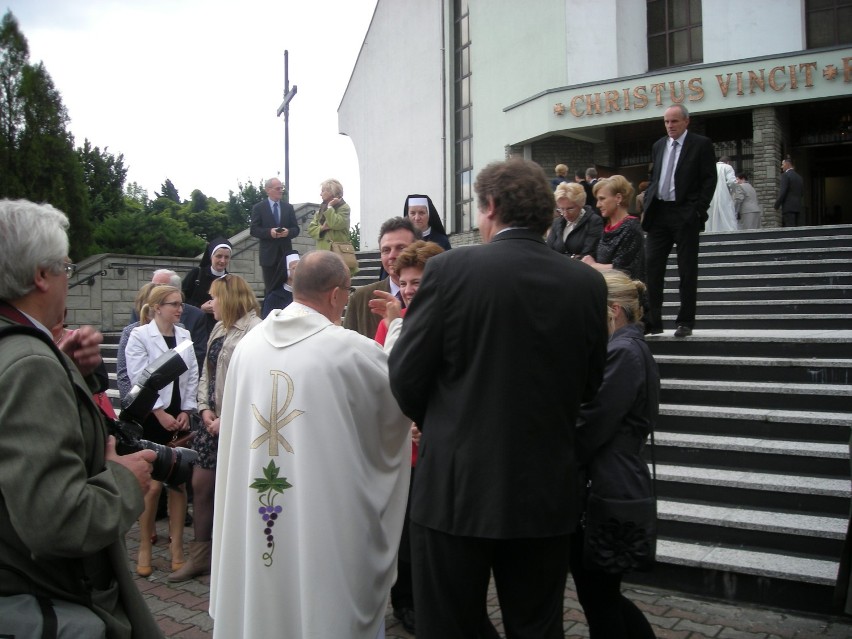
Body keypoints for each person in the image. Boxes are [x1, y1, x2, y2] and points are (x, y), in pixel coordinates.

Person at [388, 158, 608, 639]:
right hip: (545, 489)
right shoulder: (587, 283)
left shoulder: (449, 270)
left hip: (455, 485)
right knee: (538, 625)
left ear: (489, 206)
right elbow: (591, 385)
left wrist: (446, 421)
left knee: (448, 623)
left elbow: (404, 375)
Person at [209, 251, 411, 639]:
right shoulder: (346, 348)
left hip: (255, 506)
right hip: (321, 517)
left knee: (262, 566)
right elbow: (398, 391)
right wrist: (397, 326)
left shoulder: (248, 347)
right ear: (336, 295)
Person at [0, 199, 162, 638]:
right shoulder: (29, 365)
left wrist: (65, 368)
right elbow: (58, 521)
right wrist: (124, 479)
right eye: (66, 270)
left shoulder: (24, 353)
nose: (68, 283)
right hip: (49, 592)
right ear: (40, 275)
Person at [570, 269, 659, 639]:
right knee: (602, 597)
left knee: (600, 600)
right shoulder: (628, 348)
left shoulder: (623, 351)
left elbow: (593, 422)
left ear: (614, 310)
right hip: (614, 481)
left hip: (610, 486)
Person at [369, 240, 444, 634]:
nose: (411, 288)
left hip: (441, 441)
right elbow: (388, 380)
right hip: (407, 447)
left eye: (419, 280)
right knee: (406, 533)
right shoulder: (390, 322)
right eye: (406, 281)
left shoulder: (451, 317)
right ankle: (406, 602)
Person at [168, 274, 260, 582]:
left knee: (236, 491)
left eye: (215, 297)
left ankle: (235, 558)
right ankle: (201, 557)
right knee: (202, 485)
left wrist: (227, 416)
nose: (210, 304)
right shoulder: (219, 327)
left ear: (230, 298)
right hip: (211, 423)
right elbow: (207, 372)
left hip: (238, 424)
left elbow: (254, 383)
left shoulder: (255, 331)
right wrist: (205, 409)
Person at [125, 284, 199, 578]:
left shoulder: (185, 336)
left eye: (180, 303)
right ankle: (144, 545)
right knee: (153, 485)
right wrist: (159, 412)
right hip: (152, 418)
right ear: (157, 308)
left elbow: (192, 374)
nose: (180, 309)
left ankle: (177, 547)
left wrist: (185, 410)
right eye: (173, 304)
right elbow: (138, 377)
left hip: (178, 415)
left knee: (178, 483)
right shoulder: (139, 336)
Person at [642, 104, 716, 338]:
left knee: (686, 269)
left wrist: (697, 210)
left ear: (686, 121)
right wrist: (648, 200)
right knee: (652, 267)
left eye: (674, 121)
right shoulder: (658, 145)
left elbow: (709, 180)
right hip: (659, 214)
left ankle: (685, 322)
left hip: (685, 213)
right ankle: (653, 321)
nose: (669, 126)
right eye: (666, 122)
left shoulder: (701, 144)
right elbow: (655, 177)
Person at [343, 217, 420, 338]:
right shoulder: (360, 298)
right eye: (386, 250)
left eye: (401, 248)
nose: (392, 256)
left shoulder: (432, 297)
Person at [582, 175, 646, 282]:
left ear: (618, 198)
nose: (598, 205)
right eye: (597, 200)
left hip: (624, 294)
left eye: (602, 199)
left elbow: (624, 269)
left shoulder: (631, 228)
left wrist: (593, 265)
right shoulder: (608, 226)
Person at [250, 177, 300, 294]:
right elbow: (254, 230)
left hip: (285, 255)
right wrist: (269, 232)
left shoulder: (288, 208)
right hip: (268, 256)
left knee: (287, 288)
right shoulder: (259, 208)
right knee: (271, 289)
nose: (281, 191)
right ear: (268, 190)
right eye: (278, 188)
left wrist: (288, 232)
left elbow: (296, 229)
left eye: (282, 188)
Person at [182, 237, 233, 332]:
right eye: (219, 256)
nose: (222, 261)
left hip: (220, 328)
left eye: (226, 257)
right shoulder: (197, 274)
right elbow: (182, 298)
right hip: (196, 326)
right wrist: (200, 307)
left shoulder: (230, 280)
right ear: (211, 256)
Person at [546, 181, 604, 258]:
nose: (565, 214)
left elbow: (588, 255)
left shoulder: (594, 221)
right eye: (561, 209)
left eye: (570, 209)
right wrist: (573, 256)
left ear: (581, 204)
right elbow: (548, 251)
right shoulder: (557, 222)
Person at [307, 178, 351, 250]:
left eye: (323, 191)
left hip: (337, 252)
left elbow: (335, 224)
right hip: (322, 252)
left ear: (331, 192)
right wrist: (322, 228)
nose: (320, 194)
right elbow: (311, 230)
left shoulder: (344, 208)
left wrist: (330, 207)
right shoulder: (320, 211)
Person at [260, 251, 300, 318]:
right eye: (295, 268)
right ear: (286, 271)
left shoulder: (306, 294)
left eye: (300, 267)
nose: (299, 271)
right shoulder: (274, 297)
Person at [706, 156, 738, 232]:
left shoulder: (710, 168)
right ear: (728, 162)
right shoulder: (727, 167)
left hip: (710, 197)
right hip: (724, 195)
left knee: (712, 216)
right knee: (726, 216)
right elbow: (732, 182)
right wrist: (732, 191)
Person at [774, 156, 803, 227]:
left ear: (787, 164)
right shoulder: (799, 177)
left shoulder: (785, 175)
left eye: (782, 164)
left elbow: (783, 192)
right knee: (797, 229)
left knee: (790, 228)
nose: (781, 167)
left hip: (788, 207)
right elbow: (801, 193)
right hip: (798, 207)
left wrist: (777, 205)